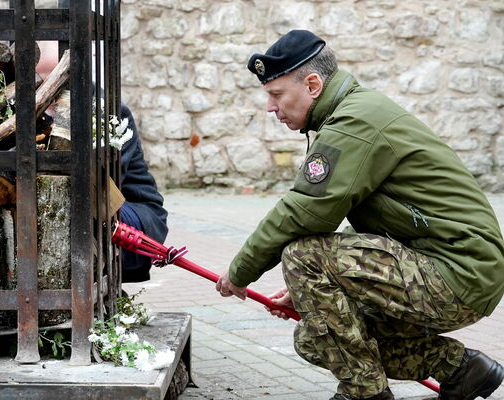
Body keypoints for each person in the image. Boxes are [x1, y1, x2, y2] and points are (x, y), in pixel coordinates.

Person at [215, 30, 504, 400]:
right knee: (317, 336)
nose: (271, 107)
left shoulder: (356, 121)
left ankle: (363, 393)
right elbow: (362, 215)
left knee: (304, 255)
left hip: (459, 273)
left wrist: (240, 272)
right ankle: (461, 369)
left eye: (276, 94)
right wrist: (320, 286)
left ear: (313, 84)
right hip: (450, 269)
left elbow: (304, 211)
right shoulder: (354, 112)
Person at [37, 41, 168, 283]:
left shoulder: (111, 111)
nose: (50, 92)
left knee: (80, 202)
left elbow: (104, 183)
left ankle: (88, 287)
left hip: (130, 212)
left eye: (59, 81)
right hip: (73, 210)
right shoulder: (24, 113)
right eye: (41, 81)